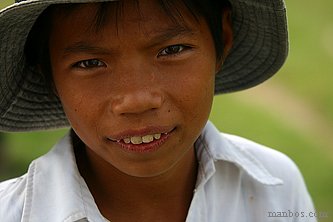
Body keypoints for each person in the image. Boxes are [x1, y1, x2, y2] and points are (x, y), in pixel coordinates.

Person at [0, 0, 316, 221]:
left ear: (224, 38)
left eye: (172, 50)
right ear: (46, 71)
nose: (137, 100)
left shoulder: (275, 186)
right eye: (90, 63)